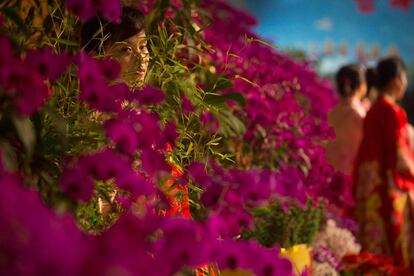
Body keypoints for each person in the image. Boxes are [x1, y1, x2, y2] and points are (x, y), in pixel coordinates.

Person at [80, 7, 191, 219]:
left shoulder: (139, 118)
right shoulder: (96, 129)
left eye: (143, 46)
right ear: (97, 58)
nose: (141, 59)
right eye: (126, 50)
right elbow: (101, 212)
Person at [353, 56, 414, 270]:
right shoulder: (393, 112)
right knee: (396, 247)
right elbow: (401, 157)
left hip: (369, 186)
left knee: (374, 250)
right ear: (397, 80)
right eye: (404, 77)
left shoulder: (372, 111)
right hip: (391, 189)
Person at [326, 64, 367, 176]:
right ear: (361, 86)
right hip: (352, 174)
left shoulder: (332, 113)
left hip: (331, 173)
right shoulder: (359, 113)